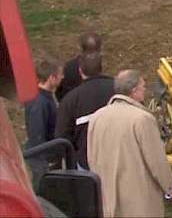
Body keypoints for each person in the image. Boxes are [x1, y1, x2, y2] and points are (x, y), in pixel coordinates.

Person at [87, 70, 172, 218]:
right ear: (134, 91)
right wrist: (169, 186)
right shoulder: (142, 119)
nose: (144, 91)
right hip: (139, 200)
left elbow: (91, 158)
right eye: (143, 87)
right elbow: (156, 160)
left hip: (108, 197)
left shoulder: (96, 118)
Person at [55, 51, 114, 169]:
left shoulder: (70, 100)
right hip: (117, 157)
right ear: (101, 68)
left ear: (80, 71)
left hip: (86, 163)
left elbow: (62, 137)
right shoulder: (118, 89)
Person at [24, 58, 62, 190]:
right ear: (52, 78)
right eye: (60, 75)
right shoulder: (39, 102)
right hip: (41, 160)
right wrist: (48, 159)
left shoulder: (45, 97)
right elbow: (37, 135)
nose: (62, 77)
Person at [57, 33, 102, 101]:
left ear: (81, 48)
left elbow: (59, 92)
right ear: (98, 49)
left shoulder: (68, 67)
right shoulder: (98, 71)